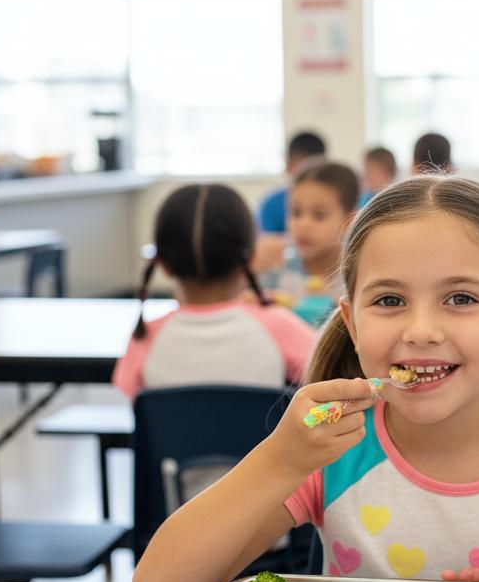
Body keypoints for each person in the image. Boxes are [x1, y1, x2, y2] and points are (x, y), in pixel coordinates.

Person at [133, 176, 479, 582]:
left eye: (460, 298)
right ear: (353, 324)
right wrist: (280, 459)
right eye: (390, 300)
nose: (421, 331)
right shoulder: (332, 453)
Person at [113, 183, 315, 400]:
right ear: (250, 258)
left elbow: (125, 400)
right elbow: (329, 369)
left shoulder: (145, 337)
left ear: (162, 264)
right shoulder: (278, 326)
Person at [261, 160, 359, 326]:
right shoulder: (277, 268)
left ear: (348, 221)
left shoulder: (355, 278)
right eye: (296, 213)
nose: (303, 224)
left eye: (319, 215)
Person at [256, 130, 326, 234]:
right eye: (296, 212)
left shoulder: (332, 201)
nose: (305, 225)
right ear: (288, 164)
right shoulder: (272, 204)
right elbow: (266, 241)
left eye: (319, 215)